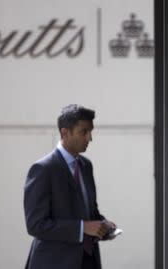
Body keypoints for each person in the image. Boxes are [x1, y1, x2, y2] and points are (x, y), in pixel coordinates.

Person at [24, 104, 116, 269]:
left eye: (90, 131)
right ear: (64, 132)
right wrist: (83, 228)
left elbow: (89, 213)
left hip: (88, 261)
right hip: (54, 263)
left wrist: (103, 225)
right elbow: (35, 225)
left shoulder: (86, 166)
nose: (89, 138)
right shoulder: (43, 169)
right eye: (84, 132)